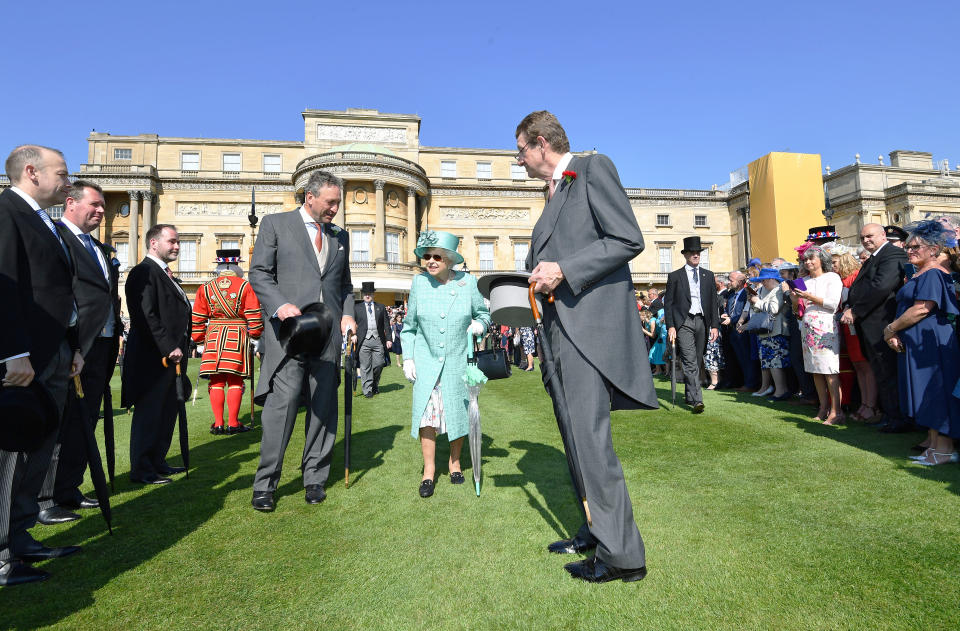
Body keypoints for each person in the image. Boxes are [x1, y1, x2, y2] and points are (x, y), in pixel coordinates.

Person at [517, 110, 656, 583]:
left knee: (592, 443)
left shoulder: (593, 169)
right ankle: (595, 530)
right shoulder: (553, 191)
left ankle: (623, 556)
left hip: (587, 332)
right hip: (558, 331)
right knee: (575, 439)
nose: (519, 160)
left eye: (520, 150)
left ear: (540, 142)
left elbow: (627, 238)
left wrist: (563, 270)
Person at [0, 145, 84, 586]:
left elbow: (60, 292)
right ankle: (0, 557)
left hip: (52, 354)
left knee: (38, 449)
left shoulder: (43, 221)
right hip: (23, 358)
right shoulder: (6, 211)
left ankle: (19, 536)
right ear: (31, 172)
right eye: (61, 172)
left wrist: (73, 345)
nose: (68, 180)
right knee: (10, 455)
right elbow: (4, 284)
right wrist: (12, 351)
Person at [249, 171, 356, 512]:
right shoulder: (275, 224)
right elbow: (259, 273)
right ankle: (265, 484)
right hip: (290, 337)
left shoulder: (341, 237)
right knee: (281, 411)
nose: (335, 209)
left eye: (338, 203)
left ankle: (315, 479)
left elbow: (344, 287)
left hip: (327, 340)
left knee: (324, 410)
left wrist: (348, 314)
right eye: (330, 202)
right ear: (309, 197)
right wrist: (280, 305)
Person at [37, 181, 122, 526]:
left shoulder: (99, 249)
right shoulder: (57, 237)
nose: (102, 211)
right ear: (70, 203)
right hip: (71, 344)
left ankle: (68, 488)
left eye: (103, 206)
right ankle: (44, 498)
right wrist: (72, 343)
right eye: (96, 205)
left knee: (84, 420)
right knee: (56, 423)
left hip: (101, 344)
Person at [400, 230, 490, 498]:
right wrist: (408, 357)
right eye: (426, 256)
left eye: (436, 256)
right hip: (427, 362)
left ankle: (455, 463)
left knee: (456, 414)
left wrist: (480, 325)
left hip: (456, 362)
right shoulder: (418, 284)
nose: (430, 261)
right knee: (427, 417)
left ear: (449, 259)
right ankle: (429, 471)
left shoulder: (468, 283)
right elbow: (409, 327)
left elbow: (484, 314)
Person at [883, 222, 960, 465]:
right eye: (908, 246)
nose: (909, 250)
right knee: (926, 391)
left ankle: (945, 450)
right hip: (919, 342)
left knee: (937, 391)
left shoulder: (934, 273)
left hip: (933, 342)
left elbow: (922, 309)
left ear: (934, 249)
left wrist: (890, 328)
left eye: (916, 247)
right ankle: (934, 446)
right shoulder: (923, 272)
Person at [122, 224, 192, 484]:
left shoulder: (164, 273)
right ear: (154, 243)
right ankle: (141, 469)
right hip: (154, 358)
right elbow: (145, 315)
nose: (176, 246)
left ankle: (157, 461)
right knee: (150, 414)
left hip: (172, 357)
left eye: (177, 242)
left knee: (166, 412)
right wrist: (167, 346)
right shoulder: (143, 272)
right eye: (172, 241)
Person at [841, 223, 909, 432]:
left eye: (869, 236)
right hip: (870, 324)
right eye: (862, 238)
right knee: (880, 372)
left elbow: (881, 286)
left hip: (882, 323)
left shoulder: (892, 254)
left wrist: (855, 310)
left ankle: (898, 418)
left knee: (888, 372)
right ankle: (889, 415)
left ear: (882, 236)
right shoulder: (873, 258)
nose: (865, 240)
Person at [190, 249, 263, 435]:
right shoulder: (245, 286)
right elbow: (254, 314)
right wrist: (255, 335)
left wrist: (199, 339)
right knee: (235, 380)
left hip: (213, 334)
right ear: (237, 265)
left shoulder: (205, 287)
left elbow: (197, 317)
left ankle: (218, 423)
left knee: (216, 380)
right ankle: (233, 423)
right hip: (237, 334)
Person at [664, 236, 720, 413]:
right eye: (692, 253)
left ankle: (689, 395)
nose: (696, 255)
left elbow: (713, 302)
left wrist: (715, 326)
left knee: (697, 359)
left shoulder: (708, 275)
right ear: (686, 255)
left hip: (702, 321)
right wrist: (671, 326)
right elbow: (669, 303)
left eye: (698, 253)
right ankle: (697, 400)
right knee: (690, 361)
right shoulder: (675, 276)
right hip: (684, 322)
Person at [791, 246, 843, 425]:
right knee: (815, 370)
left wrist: (809, 296)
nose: (808, 262)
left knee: (829, 370)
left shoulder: (832, 277)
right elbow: (797, 311)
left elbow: (833, 304)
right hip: (807, 327)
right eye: (805, 260)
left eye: (811, 258)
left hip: (825, 326)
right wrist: (794, 299)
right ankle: (823, 407)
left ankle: (836, 411)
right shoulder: (802, 280)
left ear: (822, 259)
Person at [833, 251, 878, 422]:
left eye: (836, 263)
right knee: (858, 367)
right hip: (847, 328)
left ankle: (870, 405)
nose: (833, 266)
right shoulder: (842, 280)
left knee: (865, 366)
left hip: (855, 327)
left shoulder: (854, 278)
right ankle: (864, 404)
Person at [740, 268, 790, 400]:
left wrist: (758, 302)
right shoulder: (761, 290)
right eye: (761, 280)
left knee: (776, 362)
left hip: (776, 331)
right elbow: (757, 309)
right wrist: (753, 302)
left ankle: (781, 391)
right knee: (767, 362)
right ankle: (776, 390)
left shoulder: (779, 289)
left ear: (771, 279)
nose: (762, 282)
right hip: (764, 331)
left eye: (764, 280)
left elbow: (774, 309)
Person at [352, 282, 391, 398]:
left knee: (379, 364)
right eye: (365, 294)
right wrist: (353, 334)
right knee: (365, 366)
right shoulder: (356, 308)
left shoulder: (381, 307)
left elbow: (386, 324)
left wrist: (389, 339)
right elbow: (352, 323)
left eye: (369, 294)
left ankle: (374, 385)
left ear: (374, 295)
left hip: (378, 340)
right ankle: (367, 390)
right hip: (363, 341)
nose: (367, 296)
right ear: (362, 295)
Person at [723, 271, 757, 391]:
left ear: (740, 281)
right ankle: (742, 382)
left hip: (743, 330)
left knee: (746, 358)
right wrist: (725, 314)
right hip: (732, 331)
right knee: (738, 358)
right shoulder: (732, 294)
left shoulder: (746, 292)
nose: (729, 282)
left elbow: (744, 311)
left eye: (731, 280)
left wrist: (731, 319)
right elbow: (729, 309)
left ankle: (750, 384)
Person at [648, 307, 667, 375]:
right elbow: (659, 323)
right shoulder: (660, 311)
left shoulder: (652, 320)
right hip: (661, 336)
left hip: (667, 335)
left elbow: (653, 334)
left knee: (663, 354)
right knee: (656, 353)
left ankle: (665, 371)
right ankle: (661, 370)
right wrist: (661, 320)